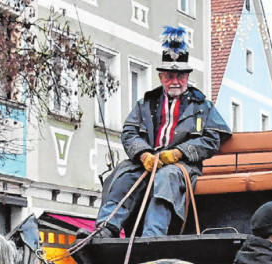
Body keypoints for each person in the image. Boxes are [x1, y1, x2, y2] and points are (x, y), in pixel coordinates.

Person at [92, 26, 231, 239]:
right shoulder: (146, 103)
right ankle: (106, 229)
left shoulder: (202, 106)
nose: (175, 81)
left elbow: (212, 140)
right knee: (124, 174)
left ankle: (152, 237)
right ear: (161, 77)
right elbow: (129, 132)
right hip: (147, 162)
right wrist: (143, 155)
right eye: (169, 76)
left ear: (187, 76)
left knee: (166, 178)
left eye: (180, 76)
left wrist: (178, 153)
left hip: (183, 168)